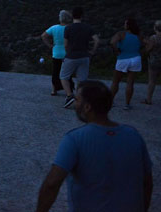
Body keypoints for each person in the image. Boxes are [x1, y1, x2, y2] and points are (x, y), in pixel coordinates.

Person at [36, 80, 153, 212]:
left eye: (77, 100)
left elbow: (52, 183)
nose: (75, 104)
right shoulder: (133, 135)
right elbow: (147, 182)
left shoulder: (75, 139)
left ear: (87, 107)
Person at [60, 7, 99, 108]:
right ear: (82, 16)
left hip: (71, 56)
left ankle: (69, 96)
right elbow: (97, 40)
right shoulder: (88, 27)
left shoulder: (68, 28)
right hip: (84, 56)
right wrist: (92, 51)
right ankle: (80, 99)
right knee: (82, 80)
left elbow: (65, 44)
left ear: (72, 16)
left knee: (64, 77)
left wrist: (68, 52)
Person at [110, 18, 143, 110]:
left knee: (116, 81)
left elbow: (112, 42)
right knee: (130, 82)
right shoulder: (139, 35)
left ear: (128, 25)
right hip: (136, 58)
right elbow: (147, 43)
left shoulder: (121, 34)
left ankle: (110, 101)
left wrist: (116, 50)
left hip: (123, 58)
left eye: (125, 24)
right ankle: (127, 104)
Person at [41, 10, 74, 95]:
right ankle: (69, 91)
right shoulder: (71, 28)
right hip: (68, 53)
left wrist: (50, 45)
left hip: (56, 53)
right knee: (68, 73)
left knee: (55, 72)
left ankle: (54, 90)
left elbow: (43, 36)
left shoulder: (54, 28)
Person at [143, 20, 161, 105]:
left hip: (154, 61)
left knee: (152, 81)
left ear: (155, 28)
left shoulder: (153, 38)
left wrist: (146, 44)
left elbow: (148, 49)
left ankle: (149, 99)